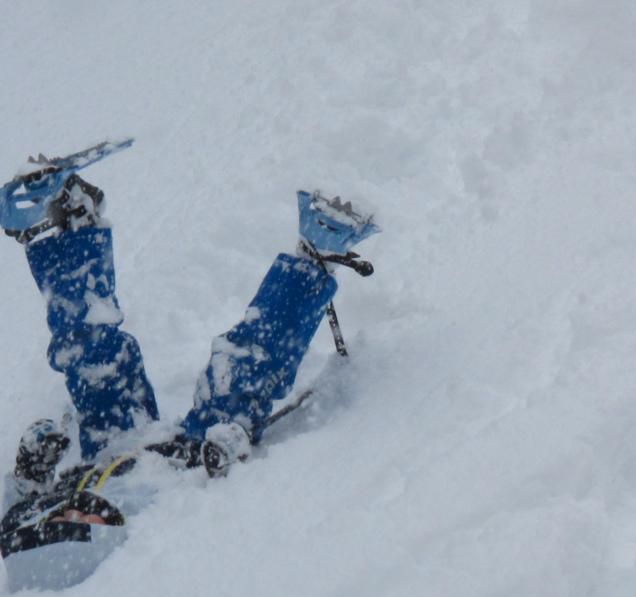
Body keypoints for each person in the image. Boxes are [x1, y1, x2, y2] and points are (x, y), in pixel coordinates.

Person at [3, 166, 380, 499]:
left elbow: (10, 517)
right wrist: (229, 446)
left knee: (92, 361)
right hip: (178, 473)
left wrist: (30, 473)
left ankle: (73, 222)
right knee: (236, 387)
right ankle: (311, 261)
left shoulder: (32, 558)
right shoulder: (107, 570)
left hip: (109, 454)